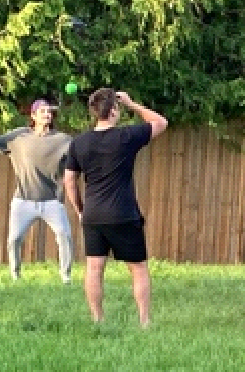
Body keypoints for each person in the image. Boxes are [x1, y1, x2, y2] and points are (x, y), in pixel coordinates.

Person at [63, 88, 167, 326]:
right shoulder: (126, 137)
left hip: (93, 215)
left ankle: (98, 320)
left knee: (94, 268)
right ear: (113, 111)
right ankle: (144, 321)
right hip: (123, 213)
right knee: (138, 269)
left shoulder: (79, 143)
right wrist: (132, 104)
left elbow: (69, 180)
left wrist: (80, 210)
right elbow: (161, 122)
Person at [0, 97, 74, 283]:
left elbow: (83, 155)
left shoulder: (63, 140)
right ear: (33, 116)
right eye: (43, 111)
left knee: (65, 235)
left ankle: (65, 276)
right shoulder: (18, 137)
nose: (47, 114)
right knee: (14, 239)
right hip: (23, 200)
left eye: (49, 112)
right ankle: (15, 275)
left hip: (52, 201)